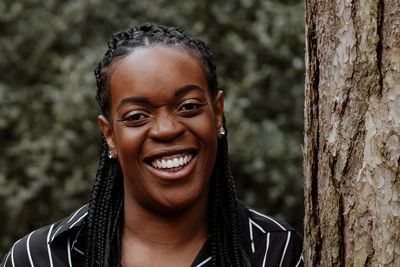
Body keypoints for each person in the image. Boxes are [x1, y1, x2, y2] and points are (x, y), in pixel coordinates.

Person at [1, 23, 303, 267]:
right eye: (136, 116)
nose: (167, 129)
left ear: (218, 113)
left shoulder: (275, 253)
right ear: (109, 135)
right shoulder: (42, 258)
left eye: (188, 107)